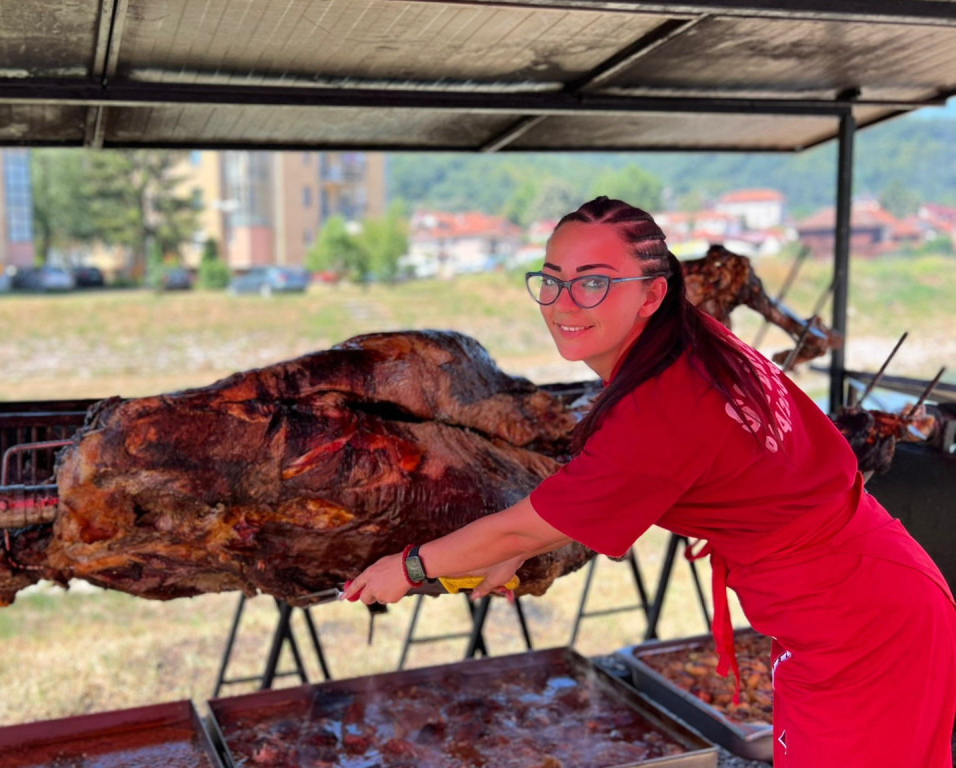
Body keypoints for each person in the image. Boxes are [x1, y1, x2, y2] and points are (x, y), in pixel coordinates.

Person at [343, 197, 956, 767]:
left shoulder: (663, 405)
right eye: (552, 279)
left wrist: (412, 566)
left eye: (594, 282)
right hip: (867, 591)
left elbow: (523, 524)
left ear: (653, 293)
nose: (563, 303)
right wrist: (522, 544)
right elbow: (573, 506)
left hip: (859, 622)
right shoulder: (690, 341)